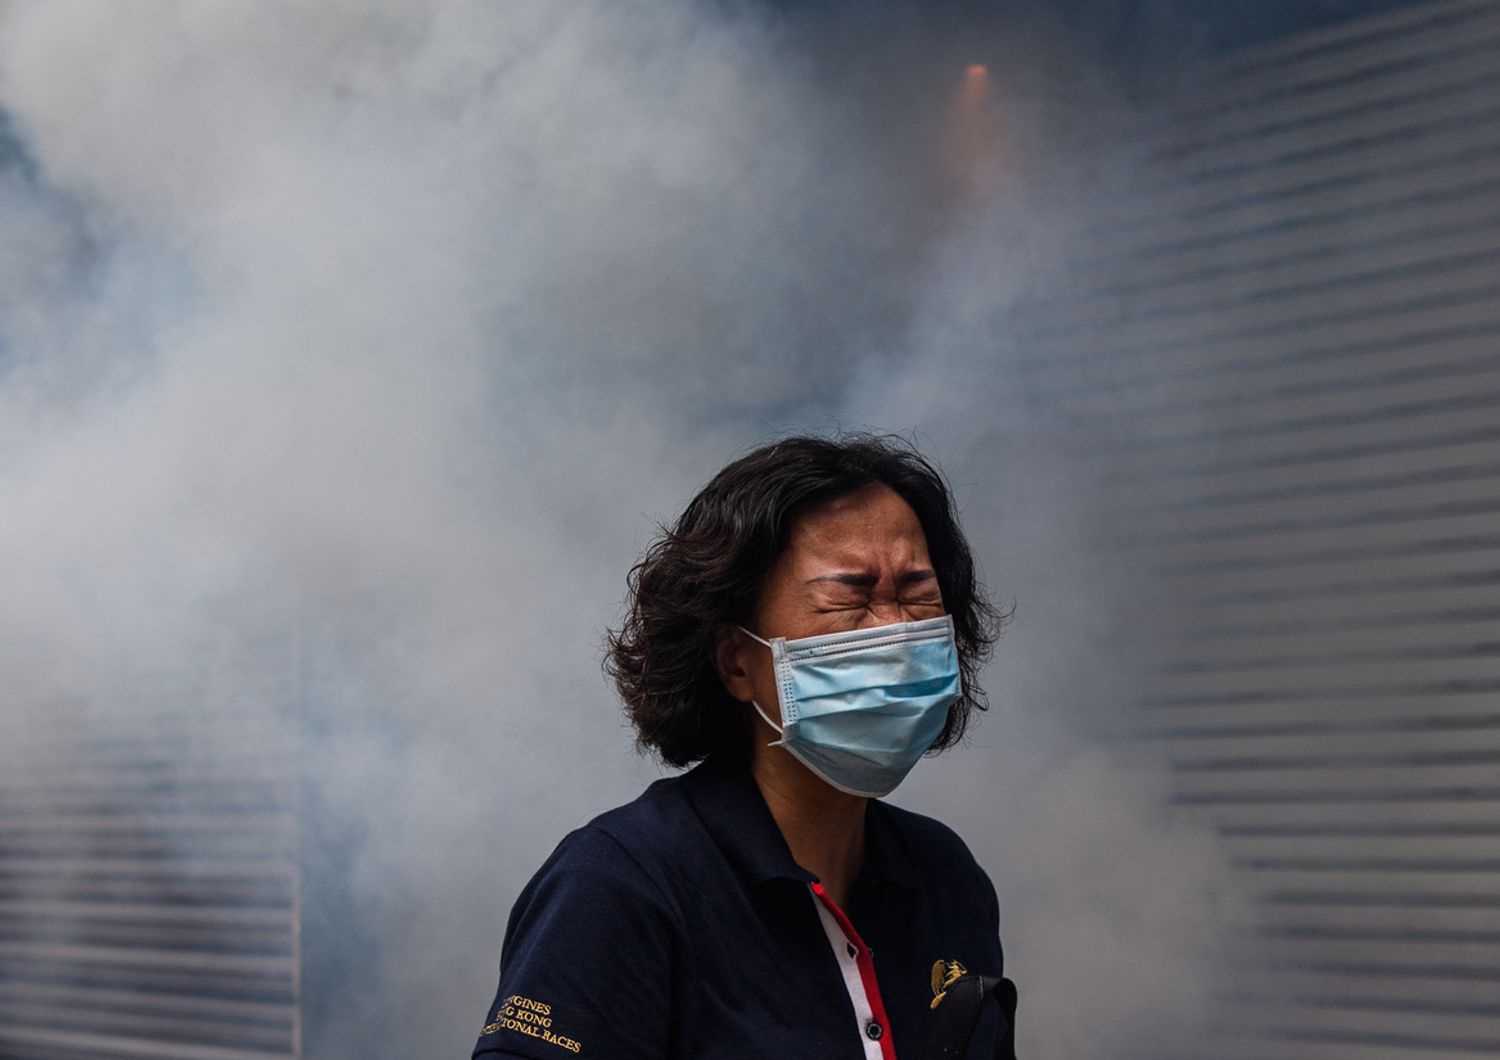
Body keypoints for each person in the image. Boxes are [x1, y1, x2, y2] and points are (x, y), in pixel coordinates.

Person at [471, 434, 1016, 1059]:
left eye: (918, 593)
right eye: (851, 596)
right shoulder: (620, 885)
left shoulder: (945, 878)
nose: (896, 630)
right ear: (736, 662)